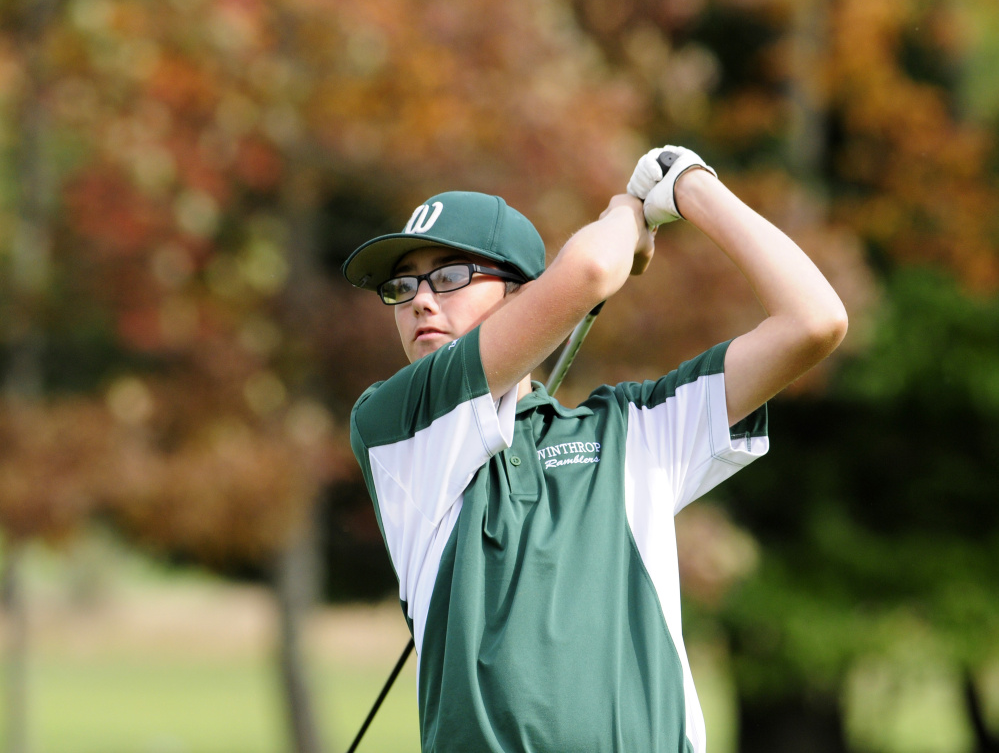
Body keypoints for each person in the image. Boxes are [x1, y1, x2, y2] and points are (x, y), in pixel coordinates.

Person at [342, 146, 848, 753]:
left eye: (450, 276)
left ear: (521, 293)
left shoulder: (633, 428)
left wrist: (692, 187)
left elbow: (814, 320)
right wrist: (627, 215)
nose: (422, 300)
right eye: (403, 286)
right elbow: (588, 273)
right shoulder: (397, 426)